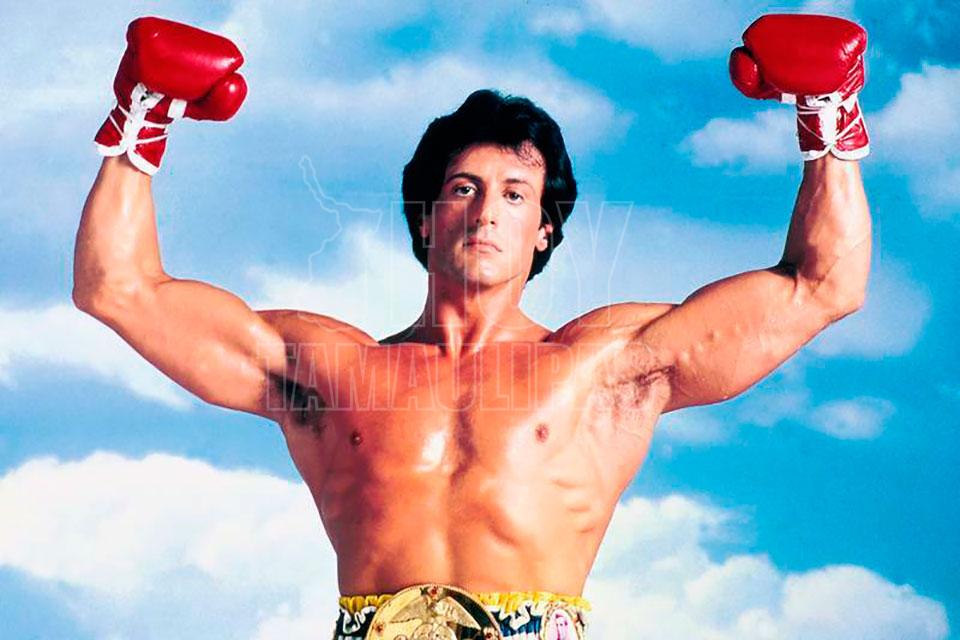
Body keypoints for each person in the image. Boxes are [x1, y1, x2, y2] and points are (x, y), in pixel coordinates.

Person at [73, 14, 872, 640]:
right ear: (426, 218)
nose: (488, 210)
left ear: (544, 231)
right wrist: (144, 118)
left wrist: (827, 120)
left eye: (516, 194)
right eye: (464, 187)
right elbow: (119, 289)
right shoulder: (334, 370)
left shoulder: (600, 368)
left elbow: (822, 285)